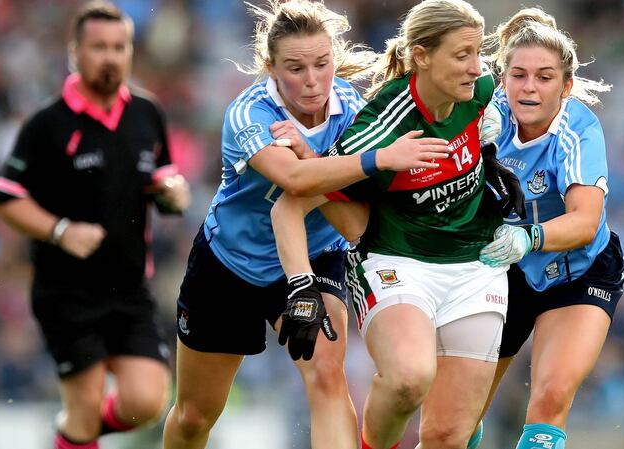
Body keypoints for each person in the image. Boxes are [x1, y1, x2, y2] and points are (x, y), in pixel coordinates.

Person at [160, 2, 451, 449]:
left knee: (327, 377)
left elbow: (356, 201)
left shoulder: (353, 107)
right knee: (196, 415)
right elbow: (294, 181)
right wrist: (379, 159)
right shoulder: (249, 113)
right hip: (230, 264)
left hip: (317, 256)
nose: (313, 81)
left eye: (322, 64)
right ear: (272, 68)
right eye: (296, 68)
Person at [269, 1, 527, 448]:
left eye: (477, 55)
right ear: (422, 57)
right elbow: (295, 203)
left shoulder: (480, 89)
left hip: (476, 266)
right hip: (398, 261)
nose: (475, 68)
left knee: (449, 435)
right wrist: (301, 284)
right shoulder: (382, 128)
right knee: (410, 378)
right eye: (461, 55)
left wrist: (490, 157)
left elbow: (499, 108)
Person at [0, 2, 189, 449]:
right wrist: (61, 230)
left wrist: (173, 193)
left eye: (120, 47)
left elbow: (163, 177)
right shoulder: (48, 124)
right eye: (99, 47)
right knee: (86, 401)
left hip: (130, 290)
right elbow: (5, 196)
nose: (111, 56)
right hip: (67, 293)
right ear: (75, 52)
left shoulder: (146, 113)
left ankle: (69, 437)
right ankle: (75, 432)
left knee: (147, 401)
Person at [470, 7, 624, 449]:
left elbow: (584, 221)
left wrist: (528, 237)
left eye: (544, 77)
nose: (530, 87)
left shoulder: (578, 131)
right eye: (519, 75)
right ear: (503, 79)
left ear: (567, 85)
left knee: (551, 397)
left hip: (578, 273)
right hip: (504, 274)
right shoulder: (483, 114)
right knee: (454, 419)